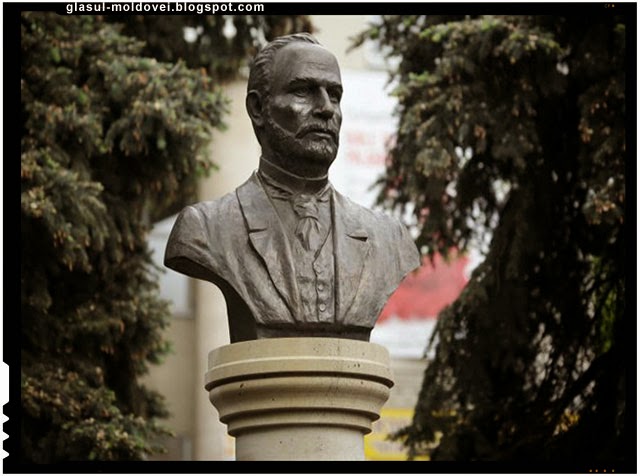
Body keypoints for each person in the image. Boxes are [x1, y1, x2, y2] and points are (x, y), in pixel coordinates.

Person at [165, 33, 420, 342]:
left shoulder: (388, 239)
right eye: (303, 91)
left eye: (335, 95)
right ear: (258, 109)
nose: (326, 108)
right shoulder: (205, 228)